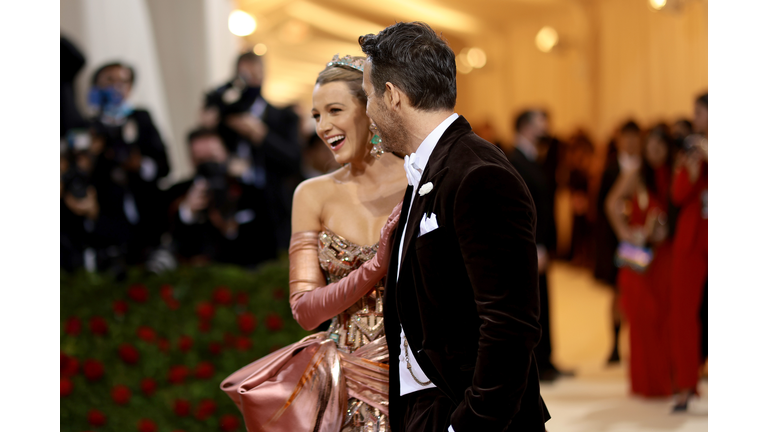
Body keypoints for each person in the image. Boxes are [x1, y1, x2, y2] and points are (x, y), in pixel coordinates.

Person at [360, 22, 549, 431]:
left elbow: (510, 325)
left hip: (469, 413)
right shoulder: (431, 166)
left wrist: (470, 423)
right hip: (429, 404)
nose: (368, 112)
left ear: (392, 96)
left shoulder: (478, 174)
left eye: (369, 96)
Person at [223, 55, 407, 431]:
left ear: (371, 108)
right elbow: (306, 312)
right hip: (349, 387)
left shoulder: (419, 179)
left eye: (334, 110)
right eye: (316, 116)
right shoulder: (311, 195)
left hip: (420, 380)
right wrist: (375, 267)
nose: (323, 127)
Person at [202, 52, 302, 251]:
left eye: (255, 74)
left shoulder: (283, 117)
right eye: (244, 76)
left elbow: (294, 160)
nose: (251, 80)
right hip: (234, 206)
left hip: (273, 209)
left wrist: (261, 136)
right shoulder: (225, 119)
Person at [605, 124, 675, 398]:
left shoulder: (673, 175)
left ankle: (666, 378)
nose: (654, 153)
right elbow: (611, 203)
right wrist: (625, 232)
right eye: (650, 148)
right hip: (637, 255)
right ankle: (646, 381)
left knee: (664, 315)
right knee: (641, 315)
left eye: (659, 148)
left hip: (665, 256)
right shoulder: (637, 175)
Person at [88, 61, 170, 265]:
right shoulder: (89, 127)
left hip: (145, 215)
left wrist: (139, 165)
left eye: (123, 81)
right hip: (106, 218)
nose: (117, 87)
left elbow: (164, 165)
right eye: (109, 80)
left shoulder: (141, 119)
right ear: (97, 87)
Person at [507, 109, 565, 382]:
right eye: (541, 124)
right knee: (532, 305)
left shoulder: (535, 158)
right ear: (526, 128)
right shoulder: (515, 159)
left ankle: (546, 360)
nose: (546, 129)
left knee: (543, 301)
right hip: (529, 247)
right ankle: (537, 364)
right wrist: (536, 245)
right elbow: (522, 210)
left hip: (540, 244)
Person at [166, 128, 276, 267]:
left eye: (212, 157)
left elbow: (267, 241)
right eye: (201, 159)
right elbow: (178, 246)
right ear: (191, 160)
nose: (208, 165)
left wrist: (230, 227)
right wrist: (188, 212)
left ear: (225, 154)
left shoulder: (248, 190)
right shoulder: (179, 193)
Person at [668, 92, 708, 412]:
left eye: (700, 112)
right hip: (692, 241)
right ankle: (685, 385)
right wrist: (692, 170)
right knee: (683, 314)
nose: (696, 119)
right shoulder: (692, 150)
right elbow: (678, 195)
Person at [594, 120, 642, 364]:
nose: (632, 142)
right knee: (617, 291)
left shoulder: (646, 166)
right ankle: (615, 345)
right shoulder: (611, 168)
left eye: (636, 137)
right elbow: (601, 205)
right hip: (618, 240)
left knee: (638, 290)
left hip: (640, 240)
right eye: (627, 137)